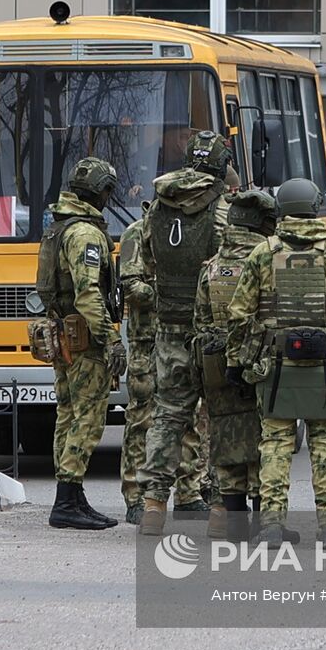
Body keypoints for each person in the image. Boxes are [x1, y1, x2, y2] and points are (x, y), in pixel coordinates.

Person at [226, 178, 326, 547]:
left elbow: (239, 313)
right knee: (325, 444)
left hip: (275, 366)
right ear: (315, 207)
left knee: (274, 444)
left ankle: (272, 526)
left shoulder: (262, 253)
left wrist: (235, 361)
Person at [137, 131, 232, 535]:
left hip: (169, 329)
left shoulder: (156, 208)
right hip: (209, 333)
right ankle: (219, 513)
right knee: (221, 419)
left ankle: (154, 506)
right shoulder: (223, 210)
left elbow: (146, 261)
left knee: (168, 417)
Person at [37, 158, 127, 530]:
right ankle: (67, 500)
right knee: (88, 418)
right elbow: (90, 294)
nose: (109, 198)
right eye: (108, 191)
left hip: (62, 334)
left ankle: (71, 497)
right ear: (99, 192)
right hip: (85, 340)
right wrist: (111, 340)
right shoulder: (86, 235)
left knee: (67, 415)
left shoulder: (58, 226)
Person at [119, 205, 210, 526]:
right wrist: (170, 294)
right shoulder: (138, 231)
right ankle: (136, 497)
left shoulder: (192, 234)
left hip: (184, 340)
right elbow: (130, 284)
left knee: (192, 418)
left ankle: (189, 493)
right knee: (142, 419)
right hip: (148, 342)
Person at [194, 189, 277, 539]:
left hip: (218, 366)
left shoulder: (211, 269)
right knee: (264, 439)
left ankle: (233, 525)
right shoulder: (271, 263)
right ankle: (264, 524)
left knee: (226, 438)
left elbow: (198, 325)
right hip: (262, 365)